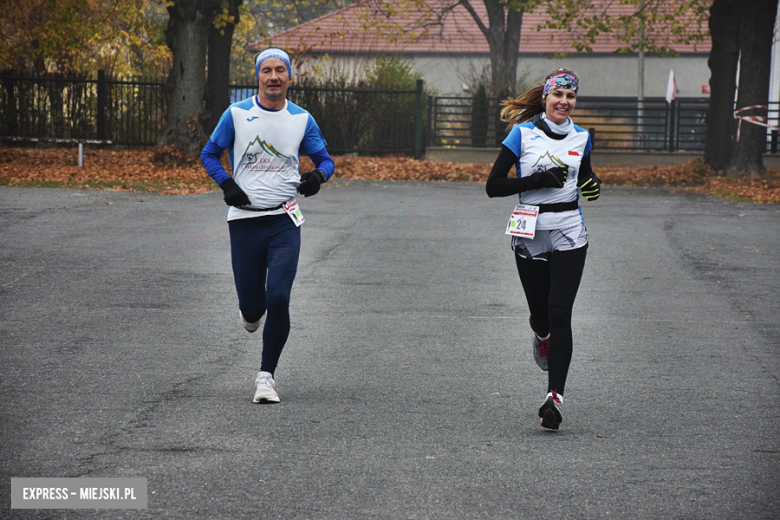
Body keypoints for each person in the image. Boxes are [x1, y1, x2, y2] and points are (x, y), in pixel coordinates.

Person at [200, 48, 335, 404]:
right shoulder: (236, 114)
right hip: (244, 221)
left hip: (283, 220)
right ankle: (250, 312)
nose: (273, 77)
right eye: (267, 71)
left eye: (280, 71)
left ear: (289, 77)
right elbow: (209, 154)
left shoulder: (302, 119)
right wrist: (226, 183)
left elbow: (325, 159)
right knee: (253, 308)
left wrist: (318, 176)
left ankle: (266, 377)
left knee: (279, 296)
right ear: (258, 77)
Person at [485, 68, 601, 430]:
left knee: (559, 312)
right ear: (546, 98)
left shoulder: (582, 137)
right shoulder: (522, 134)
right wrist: (534, 180)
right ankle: (541, 337)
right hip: (530, 228)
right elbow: (493, 186)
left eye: (571, 97)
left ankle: (554, 398)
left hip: (569, 230)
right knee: (540, 316)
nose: (564, 102)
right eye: (558, 96)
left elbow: (585, 176)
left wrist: (592, 185)